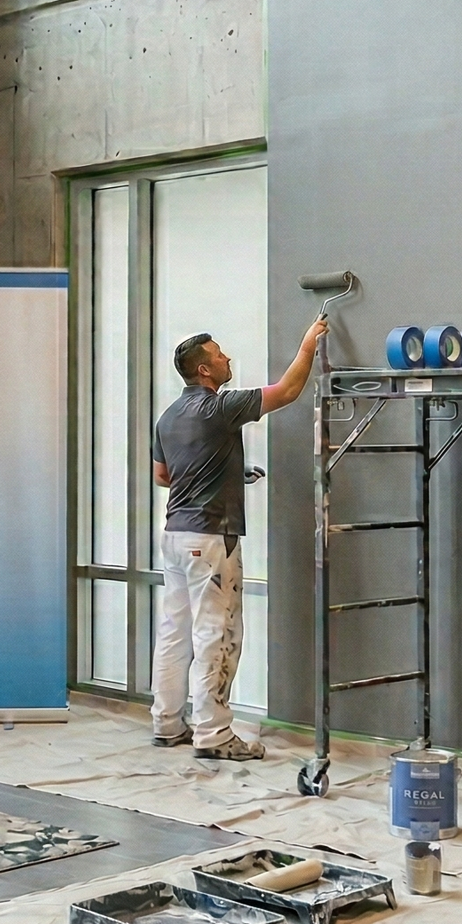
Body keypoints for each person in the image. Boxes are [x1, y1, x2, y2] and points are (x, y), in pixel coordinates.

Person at [150, 318, 329, 761]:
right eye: (219, 355)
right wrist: (308, 342)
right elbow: (287, 391)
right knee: (218, 632)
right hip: (211, 537)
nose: (227, 358)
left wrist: (227, 473)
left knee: (174, 631)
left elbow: (164, 476)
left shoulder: (168, 416)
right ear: (205, 370)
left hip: (175, 536)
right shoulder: (220, 407)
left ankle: (167, 723)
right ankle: (213, 735)